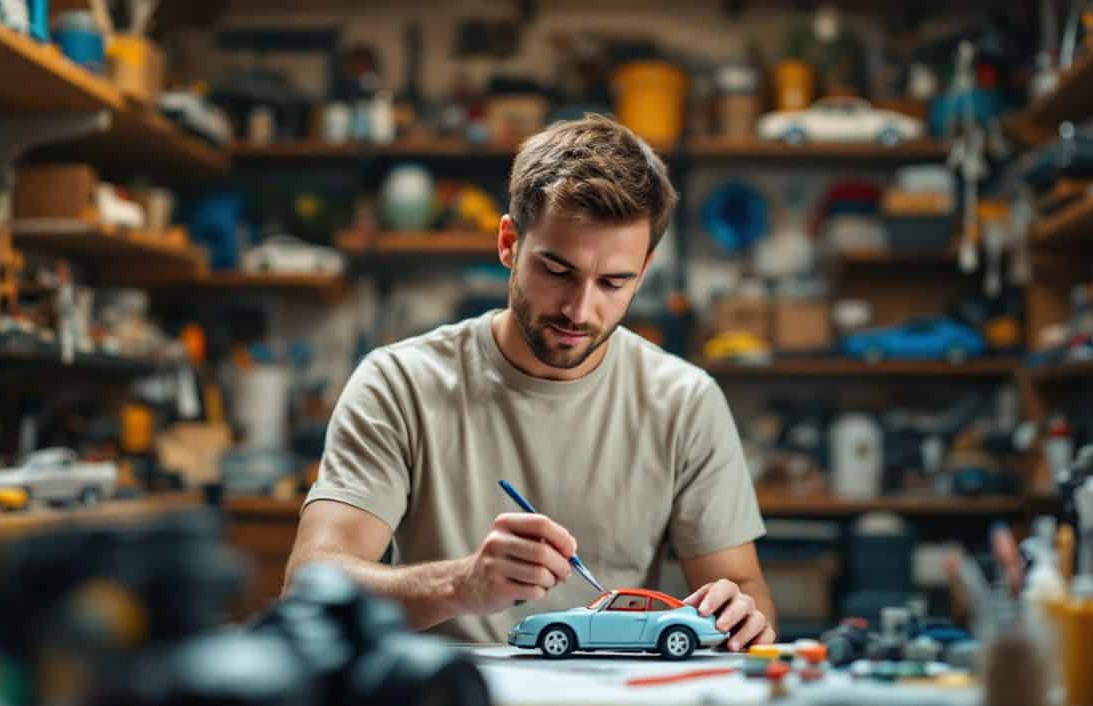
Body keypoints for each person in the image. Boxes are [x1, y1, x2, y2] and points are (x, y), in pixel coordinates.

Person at [287, 114, 776, 651]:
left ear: (645, 268)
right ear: (508, 243)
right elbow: (310, 589)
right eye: (557, 271)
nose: (579, 309)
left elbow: (743, 585)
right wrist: (461, 586)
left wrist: (740, 611)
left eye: (614, 282)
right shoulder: (398, 384)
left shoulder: (685, 401)